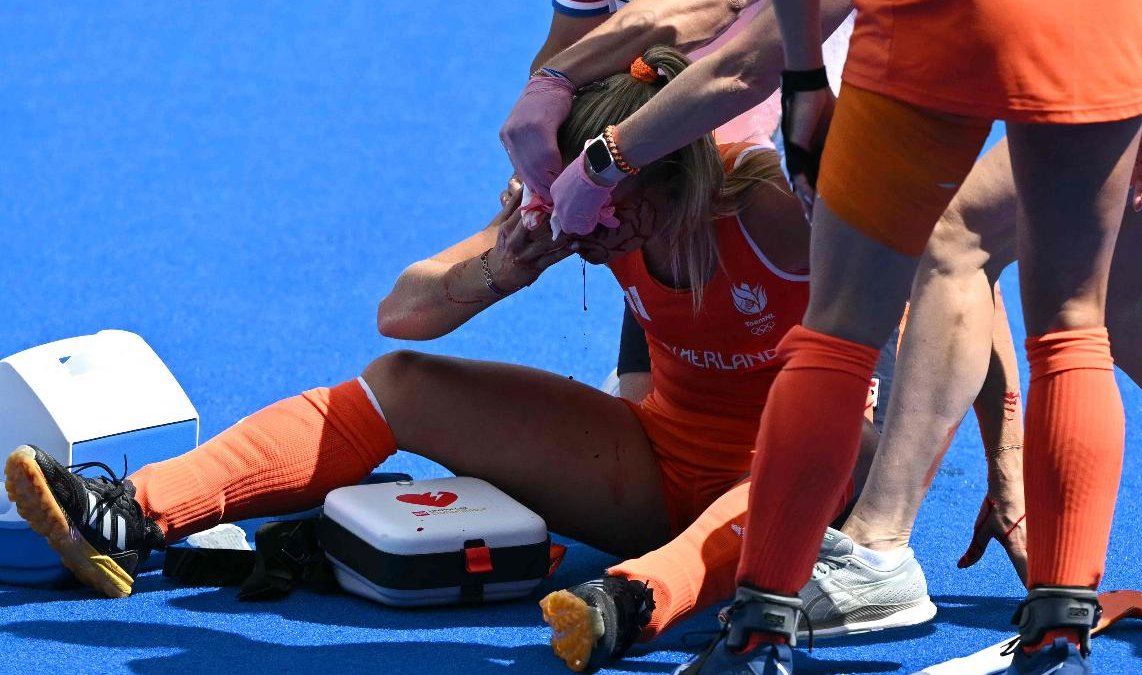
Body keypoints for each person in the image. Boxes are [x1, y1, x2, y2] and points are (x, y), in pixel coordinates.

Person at [4, 47, 870, 673]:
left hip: (795, 478)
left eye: (615, 214)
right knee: (402, 388)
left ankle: (639, 603)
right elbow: (400, 314)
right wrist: (504, 266)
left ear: (662, 176)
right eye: (584, 215)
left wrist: (996, 451)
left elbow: (934, 283)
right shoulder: (579, 204)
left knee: (831, 449)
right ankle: (131, 513)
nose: (595, 239)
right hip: (654, 465)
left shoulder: (765, 205)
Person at [540, 0, 1142, 672]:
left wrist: (802, 77)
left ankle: (762, 631)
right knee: (1072, 328)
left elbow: (755, 48)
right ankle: (1060, 638)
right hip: (1104, 26)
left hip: (934, 26)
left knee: (838, 335)